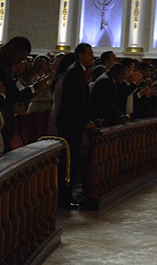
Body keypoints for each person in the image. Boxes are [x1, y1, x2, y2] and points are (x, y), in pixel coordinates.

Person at [55, 42, 95, 209]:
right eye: (89, 54)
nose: (92, 57)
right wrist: (85, 121)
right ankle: (64, 198)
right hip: (69, 125)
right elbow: (74, 102)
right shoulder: (74, 72)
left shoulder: (78, 71)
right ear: (80, 55)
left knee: (73, 160)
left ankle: (67, 195)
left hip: (73, 124)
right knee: (68, 161)